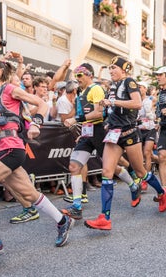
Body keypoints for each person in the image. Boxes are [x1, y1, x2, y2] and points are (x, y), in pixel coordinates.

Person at [0, 57, 71, 261]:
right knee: (29, 193)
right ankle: (63, 221)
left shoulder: (9, 90)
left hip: (10, 148)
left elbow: (41, 103)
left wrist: (36, 124)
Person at [84, 56, 166, 231]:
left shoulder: (129, 82)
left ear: (124, 70)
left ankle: (162, 193)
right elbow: (109, 109)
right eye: (109, 67)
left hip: (129, 134)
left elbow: (137, 104)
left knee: (140, 172)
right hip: (113, 134)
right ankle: (104, 218)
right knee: (107, 171)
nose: (111, 70)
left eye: (114, 67)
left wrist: (113, 102)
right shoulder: (112, 86)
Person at [61, 62, 138, 221]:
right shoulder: (81, 92)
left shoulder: (95, 89)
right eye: (76, 75)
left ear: (89, 74)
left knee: (111, 168)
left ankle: (133, 185)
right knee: (74, 166)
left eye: (80, 75)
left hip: (99, 131)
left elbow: (98, 113)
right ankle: (77, 207)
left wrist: (75, 119)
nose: (77, 78)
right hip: (87, 133)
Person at [137, 80, 157, 192]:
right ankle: (162, 161)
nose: (139, 89)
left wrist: (151, 114)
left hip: (150, 129)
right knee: (141, 155)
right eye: (137, 87)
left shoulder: (149, 99)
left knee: (147, 153)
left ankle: (145, 180)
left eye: (141, 87)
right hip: (139, 130)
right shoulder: (134, 100)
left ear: (145, 89)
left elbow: (154, 107)